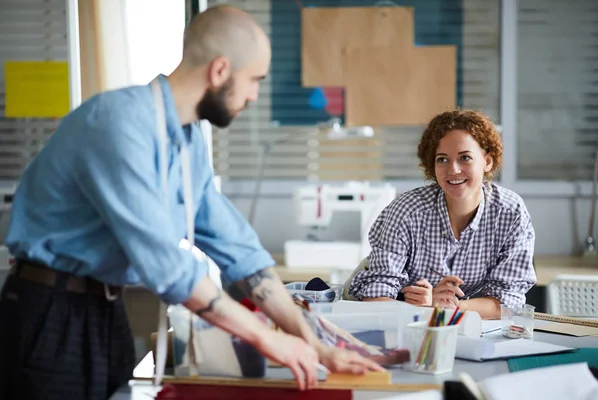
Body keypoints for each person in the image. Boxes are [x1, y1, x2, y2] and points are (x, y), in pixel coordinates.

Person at [0, 5, 382, 400]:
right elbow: (167, 267)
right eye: (253, 80)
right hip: (49, 313)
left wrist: (313, 343)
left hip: (105, 311)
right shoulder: (119, 125)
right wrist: (269, 340)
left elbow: (239, 249)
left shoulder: (186, 140)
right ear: (219, 71)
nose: (253, 96)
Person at [346, 109, 537, 320]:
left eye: (465, 158)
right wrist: (425, 307)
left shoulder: (511, 213)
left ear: (487, 162)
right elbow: (376, 299)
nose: (453, 170)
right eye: (442, 159)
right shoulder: (405, 212)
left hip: (473, 329)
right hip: (406, 326)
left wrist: (444, 306)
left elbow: (506, 303)